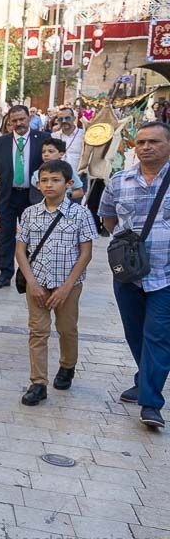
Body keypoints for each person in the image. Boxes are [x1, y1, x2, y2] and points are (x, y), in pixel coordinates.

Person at [99, 121, 170, 429]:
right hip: (128, 274)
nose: (146, 147)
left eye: (153, 141)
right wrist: (129, 250)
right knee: (134, 332)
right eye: (140, 142)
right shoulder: (120, 180)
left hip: (166, 275)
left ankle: (151, 403)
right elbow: (108, 217)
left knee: (157, 335)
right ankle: (145, 376)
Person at [15, 159, 96, 407]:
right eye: (44, 180)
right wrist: (32, 283)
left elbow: (86, 253)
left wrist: (67, 287)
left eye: (55, 180)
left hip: (67, 285)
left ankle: (67, 365)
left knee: (66, 328)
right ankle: (38, 383)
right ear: (38, 184)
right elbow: (20, 250)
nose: (49, 185)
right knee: (38, 331)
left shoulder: (80, 214)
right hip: (37, 283)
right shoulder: (30, 213)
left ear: (68, 183)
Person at [0, 104, 49, 289]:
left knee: (32, 236)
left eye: (22, 119)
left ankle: (28, 273)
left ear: (29, 119)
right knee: (6, 235)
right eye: (15, 121)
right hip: (8, 196)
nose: (19, 123)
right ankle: (4, 273)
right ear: (9, 122)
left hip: (32, 196)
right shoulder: (0, 143)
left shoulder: (43, 139)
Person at [51, 106, 85, 171]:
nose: (64, 121)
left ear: (74, 118)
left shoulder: (84, 135)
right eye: (60, 119)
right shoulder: (53, 136)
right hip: (59, 176)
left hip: (79, 176)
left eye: (67, 118)